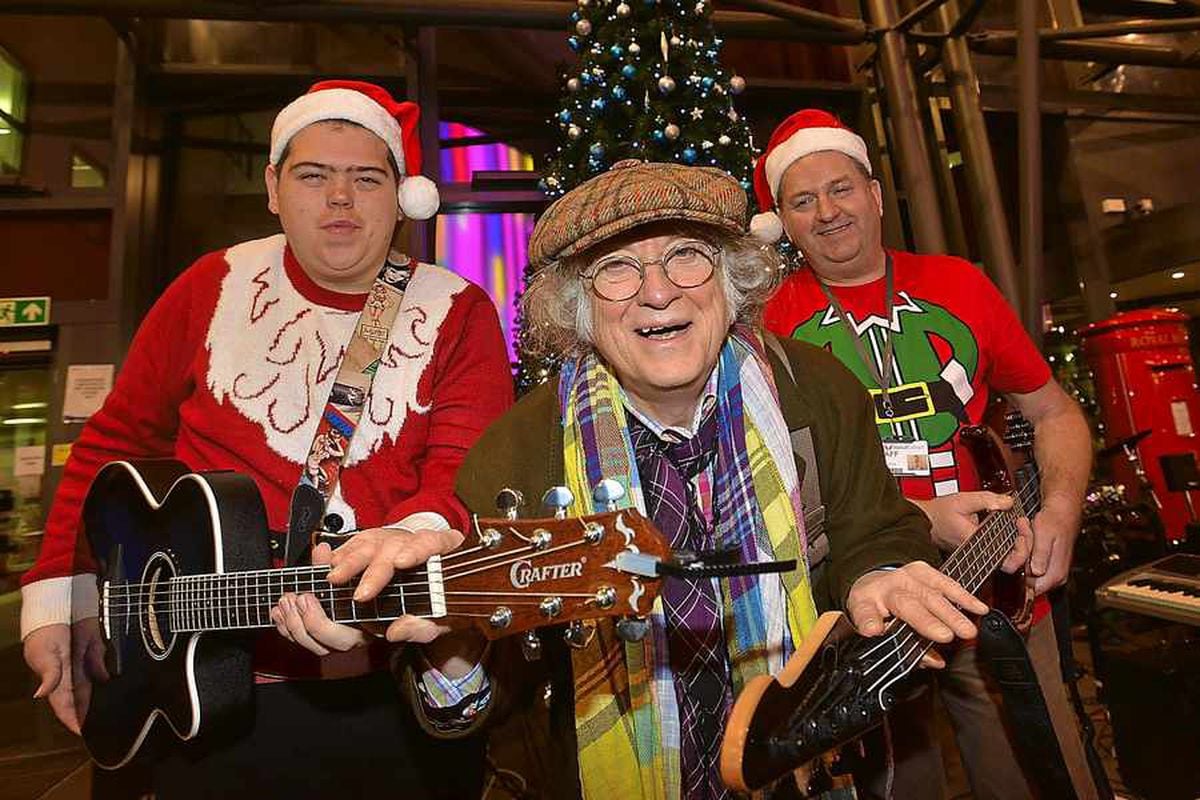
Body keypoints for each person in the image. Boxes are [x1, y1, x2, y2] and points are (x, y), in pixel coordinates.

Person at [454, 159, 1027, 800]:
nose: (658, 291)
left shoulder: (819, 392)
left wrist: (876, 577)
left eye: (687, 256)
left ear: (732, 279)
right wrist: (449, 655)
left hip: (813, 770)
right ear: (578, 308)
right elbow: (493, 687)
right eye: (616, 269)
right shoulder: (513, 458)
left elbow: (875, 526)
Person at [20, 80, 513, 798]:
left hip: (386, 701)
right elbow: (111, 444)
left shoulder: (459, 312)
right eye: (313, 175)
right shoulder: (210, 285)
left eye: (366, 178)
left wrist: (416, 540)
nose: (339, 198)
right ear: (274, 187)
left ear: (402, 196)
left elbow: (466, 479)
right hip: (188, 704)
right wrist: (59, 596)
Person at [753, 109, 1096, 800]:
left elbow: (1054, 410)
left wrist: (1060, 512)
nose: (827, 212)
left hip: (996, 575)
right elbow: (772, 481)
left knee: (1036, 768)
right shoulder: (766, 323)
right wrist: (918, 515)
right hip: (865, 595)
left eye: (841, 188)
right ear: (783, 224)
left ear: (876, 196)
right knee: (897, 780)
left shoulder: (959, 284)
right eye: (802, 200)